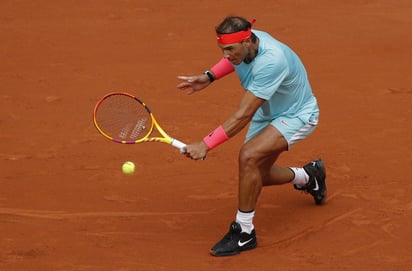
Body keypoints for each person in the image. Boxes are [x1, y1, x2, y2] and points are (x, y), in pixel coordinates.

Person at [176, 16, 326, 257]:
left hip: (297, 114)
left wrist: (206, 144)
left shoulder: (271, 61)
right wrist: (209, 76)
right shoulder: (249, 44)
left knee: (248, 157)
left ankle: (244, 233)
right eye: (222, 49)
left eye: (229, 49)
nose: (226, 55)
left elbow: (243, 114)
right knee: (257, 174)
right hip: (268, 112)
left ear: (247, 40)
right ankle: (308, 176)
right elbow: (234, 61)